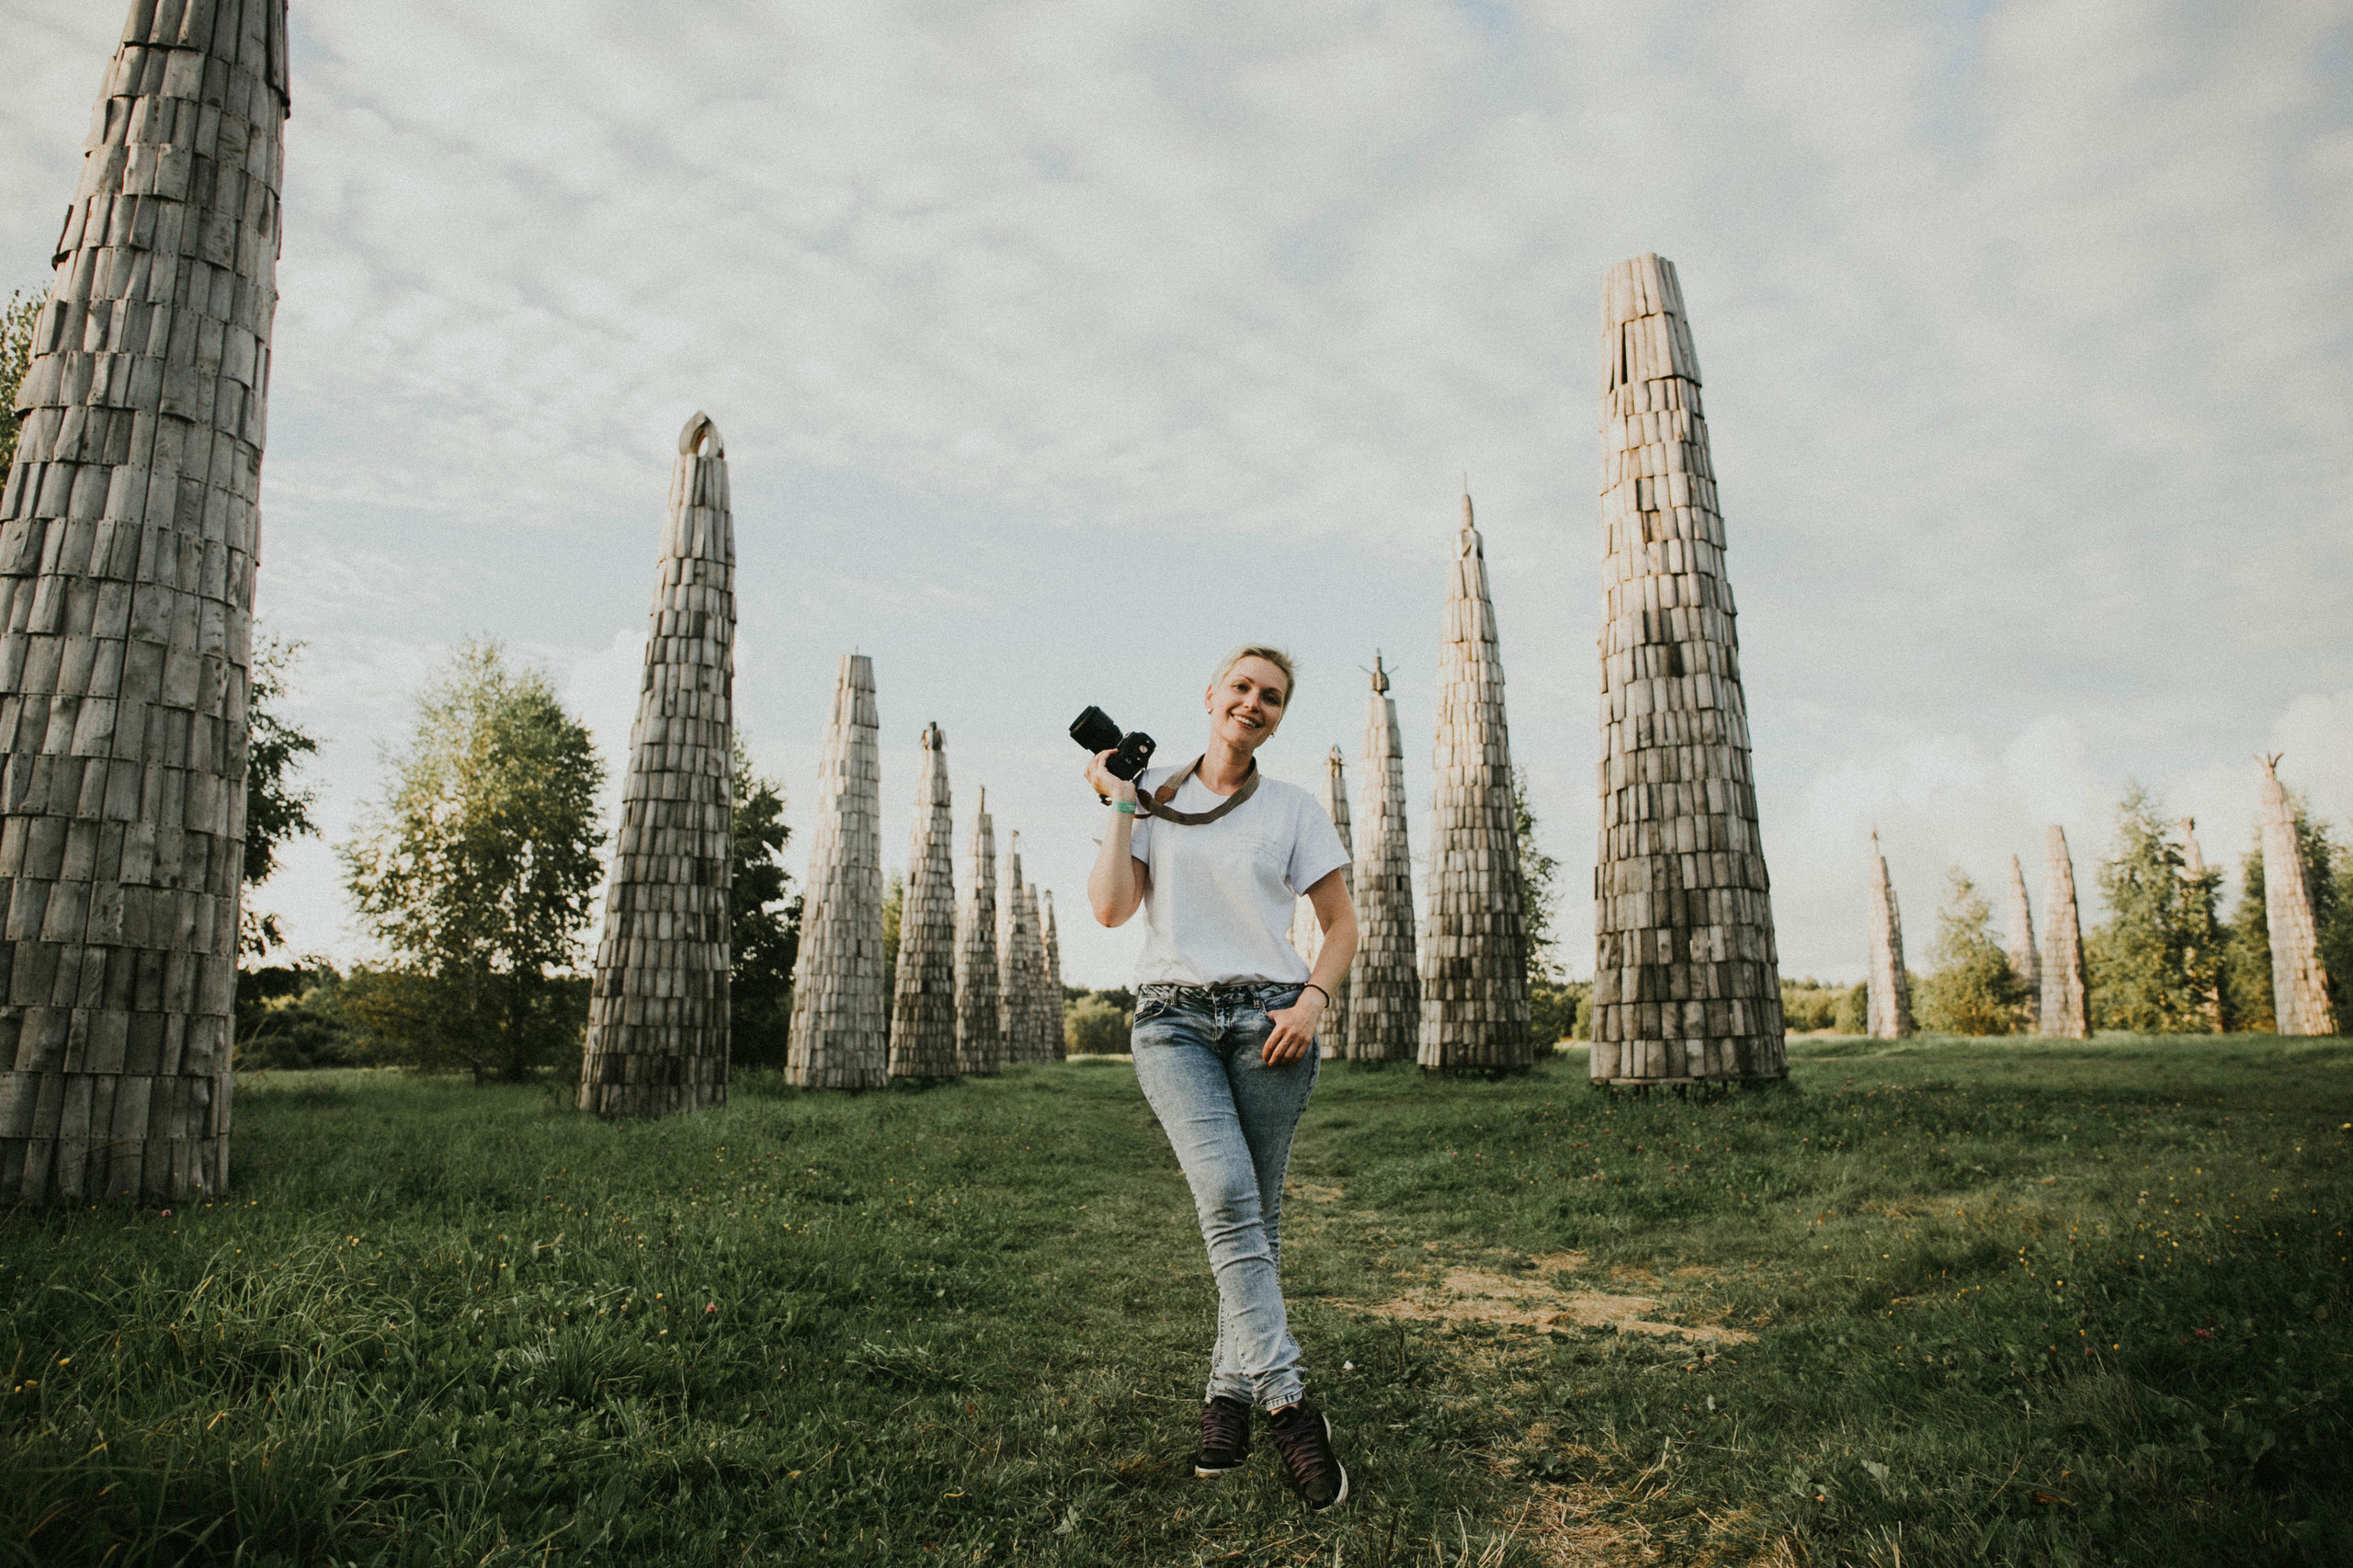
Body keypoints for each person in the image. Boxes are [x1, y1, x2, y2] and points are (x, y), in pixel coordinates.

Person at [1084, 645, 1358, 1512]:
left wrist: (1312, 1002)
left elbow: (1342, 924)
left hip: (1273, 1023)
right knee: (1229, 1194)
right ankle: (1288, 1402)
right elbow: (1110, 907)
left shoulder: (1292, 808)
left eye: (1271, 697)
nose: (1254, 704)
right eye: (1241, 688)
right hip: (1173, 1021)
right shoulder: (1153, 794)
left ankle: (1226, 1400)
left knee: (1255, 1221)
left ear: (1280, 716)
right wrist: (1123, 804)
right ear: (1211, 695)